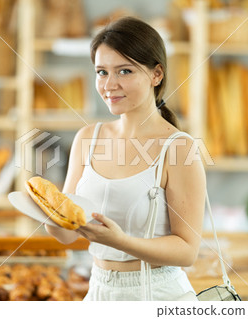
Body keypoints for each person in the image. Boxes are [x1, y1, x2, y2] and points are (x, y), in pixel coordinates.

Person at [45, 16, 206, 301]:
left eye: (125, 71)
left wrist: (122, 242)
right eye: (102, 72)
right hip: (99, 292)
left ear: (157, 74)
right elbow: (68, 234)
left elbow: (188, 250)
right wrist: (50, 216)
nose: (109, 85)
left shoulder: (179, 148)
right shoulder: (87, 138)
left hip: (158, 294)